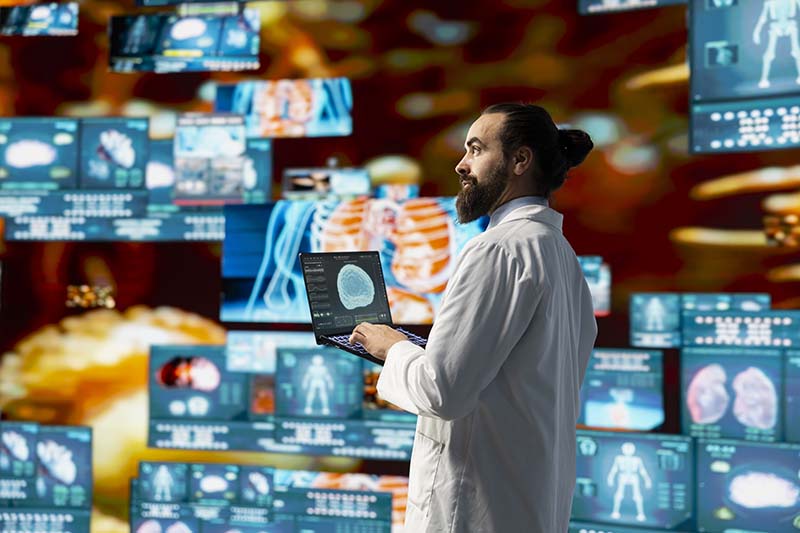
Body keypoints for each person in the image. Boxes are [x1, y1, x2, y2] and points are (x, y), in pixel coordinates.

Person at [349, 103, 598, 532]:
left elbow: (443, 391)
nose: (462, 165)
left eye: (477, 149)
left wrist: (392, 346)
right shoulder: (559, 253)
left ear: (520, 160)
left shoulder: (498, 249)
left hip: (476, 509)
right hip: (525, 503)